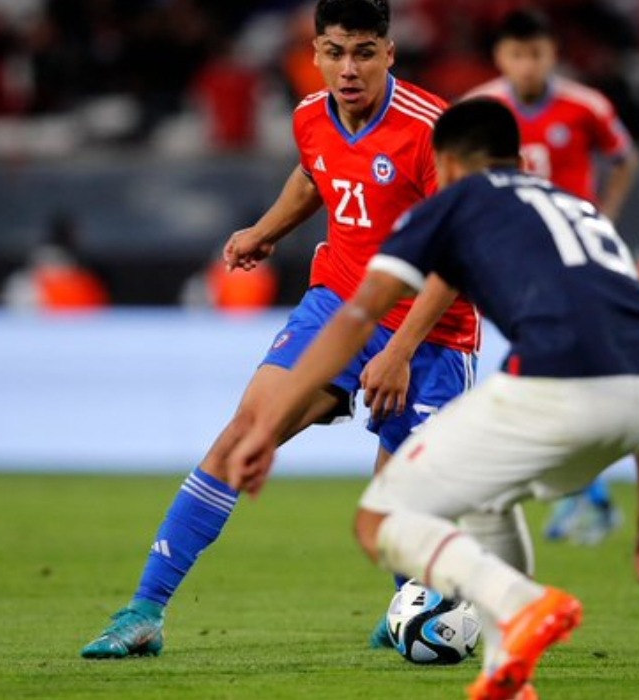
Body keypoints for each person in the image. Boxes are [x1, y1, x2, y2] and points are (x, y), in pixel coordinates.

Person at [222, 98, 639, 700]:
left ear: (445, 163)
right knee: (486, 505)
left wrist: (268, 425)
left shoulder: (457, 201)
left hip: (557, 385)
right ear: (520, 159)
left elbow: (359, 312)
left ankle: (521, 603)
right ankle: (508, 673)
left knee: (382, 518)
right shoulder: (578, 210)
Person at [80, 0, 482, 659]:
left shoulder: (433, 131)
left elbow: (461, 255)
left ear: (389, 53)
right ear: (315, 53)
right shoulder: (308, 115)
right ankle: (144, 611)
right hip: (338, 309)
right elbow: (312, 174)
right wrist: (265, 232)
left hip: (432, 332)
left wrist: (402, 348)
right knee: (242, 435)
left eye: (362, 52)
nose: (346, 68)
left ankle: (415, 602)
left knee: (395, 512)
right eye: (333, 51)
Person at [466, 9, 639, 545]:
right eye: (516, 54)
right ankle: (587, 496)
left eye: (535, 54)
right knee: (551, 369)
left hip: (572, 256)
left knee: (541, 366)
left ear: (552, 55)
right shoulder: (478, 107)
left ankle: (581, 495)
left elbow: (625, 158)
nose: (526, 65)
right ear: (501, 57)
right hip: (514, 256)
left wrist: (603, 215)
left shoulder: (585, 107)